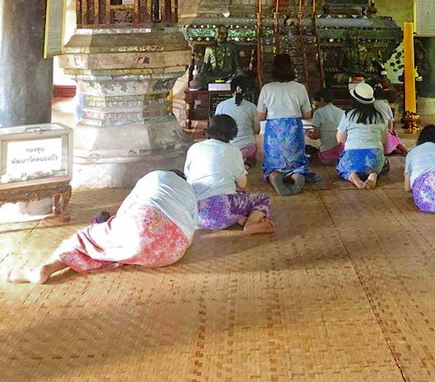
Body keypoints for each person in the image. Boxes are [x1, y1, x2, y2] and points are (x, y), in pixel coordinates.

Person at [4, 170, 198, 284]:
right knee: (128, 243)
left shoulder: (154, 177)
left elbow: (127, 209)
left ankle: (44, 269)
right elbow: (193, 225)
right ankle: (124, 254)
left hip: (140, 226)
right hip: (171, 253)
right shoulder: (189, 190)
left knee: (84, 238)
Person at [185, 115, 274, 234]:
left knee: (232, 196)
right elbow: (242, 183)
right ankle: (250, 223)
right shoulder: (233, 151)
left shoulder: (194, 148)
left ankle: (239, 218)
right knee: (260, 197)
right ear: (233, 133)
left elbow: (188, 176)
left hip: (195, 216)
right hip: (222, 211)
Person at [257, 52, 319, 196]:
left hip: (274, 129)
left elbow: (260, 116)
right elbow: (307, 114)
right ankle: (298, 177)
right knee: (296, 163)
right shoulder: (299, 88)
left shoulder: (267, 88)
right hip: (293, 128)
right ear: (292, 68)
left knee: (273, 165)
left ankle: (275, 177)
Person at [336, 82, 389, 190]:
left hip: (352, 159)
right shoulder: (381, 116)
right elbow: (383, 141)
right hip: (375, 159)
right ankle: (373, 174)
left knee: (341, 166)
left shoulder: (348, 115)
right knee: (384, 164)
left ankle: (353, 177)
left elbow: (340, 140)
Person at [215, 75, 260, 165]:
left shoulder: (222, 106)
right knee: (249, 152)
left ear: (231, 89)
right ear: (246, 90)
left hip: (228, 148)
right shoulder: (251, 107)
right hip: (249, 148)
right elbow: (256, 130)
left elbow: (217, 128)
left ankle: (235, 161)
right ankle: (244, 161)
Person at [370, 81, 407, 156]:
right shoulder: (385, 105)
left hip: (374, 146)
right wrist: (391, 131)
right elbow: (391, 121)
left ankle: (395, 148)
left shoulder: (368, 106)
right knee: (394, 138)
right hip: (386, 142)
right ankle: (401, 148)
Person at [308, 88, 344, 165]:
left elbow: (316, 135)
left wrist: (310, 134)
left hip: (327, 154)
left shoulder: (318, 112)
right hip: (342, 152)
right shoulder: (342, 112)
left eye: (317, 103)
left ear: (321, 100)